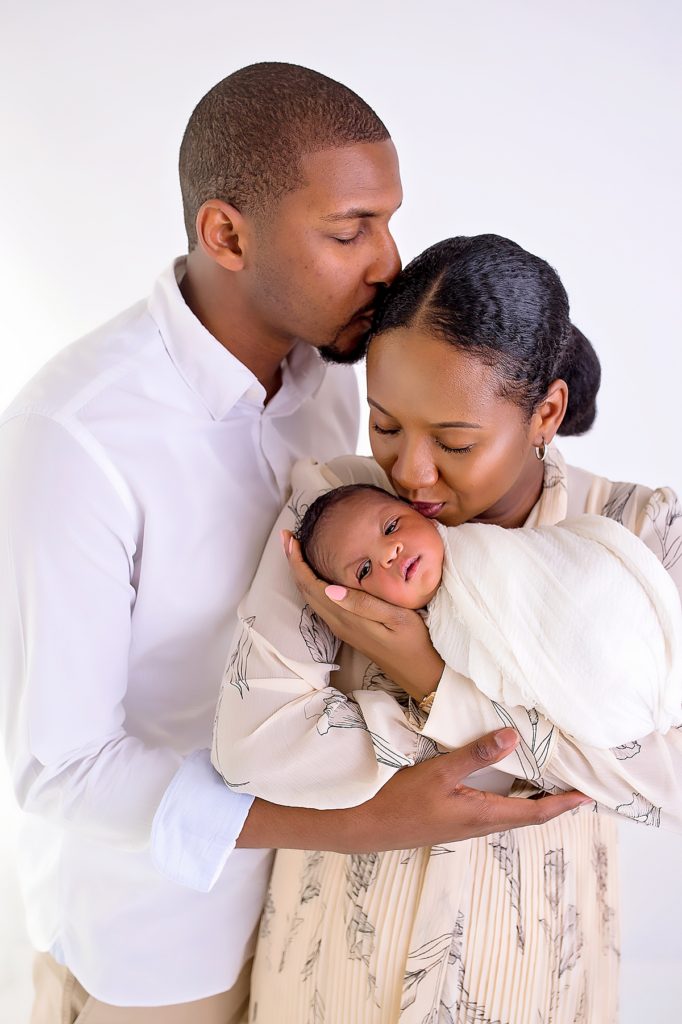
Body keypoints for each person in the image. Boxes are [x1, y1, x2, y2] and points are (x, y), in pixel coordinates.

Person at [0, 68, 580, 1024]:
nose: (389, 261)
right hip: (164, 951)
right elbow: (58, 767)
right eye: (350, 230)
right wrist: (355, 826)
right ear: (227, 234)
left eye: (391, 221)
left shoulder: (344, 378)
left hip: (321, 939)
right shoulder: (76, 438)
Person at [213, 234, 682, 1023]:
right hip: (327, 973)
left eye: (455, 443)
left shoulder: (641, 532)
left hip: (534, 980)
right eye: (386, 426)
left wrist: (435, 681)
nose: (412, 474)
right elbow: (256, 740)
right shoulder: (338, 509)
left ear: (548, 413)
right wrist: (554, 753)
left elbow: (669, 784)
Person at [294, 476, 682, 747]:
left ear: (422, 513)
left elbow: (561, 563)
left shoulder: (486, 544)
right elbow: (503, 686)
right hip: (608, 703)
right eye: (364, 570)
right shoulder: (440, 631)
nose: (388, 553)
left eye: (392, 526)